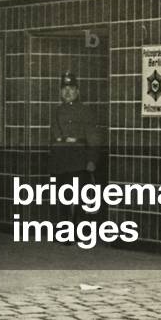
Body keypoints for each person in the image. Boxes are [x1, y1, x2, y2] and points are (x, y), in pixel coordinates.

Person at [49, 72, 102, 234]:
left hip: (78, 159)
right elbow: (54, 135)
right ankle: (64, 229)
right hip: (61, 159)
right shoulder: (57, 111)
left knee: (76, 197)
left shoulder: (85, 111)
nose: (67, 92)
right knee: (62, 196)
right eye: (64, 88)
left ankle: (75, 230)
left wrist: (91, 160)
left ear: (77, 91)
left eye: (71, 88)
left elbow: (93, 138)